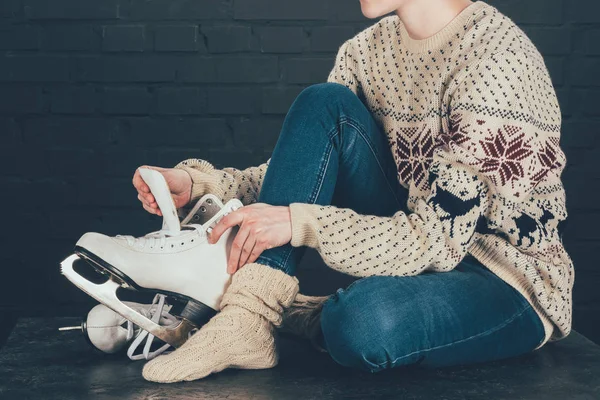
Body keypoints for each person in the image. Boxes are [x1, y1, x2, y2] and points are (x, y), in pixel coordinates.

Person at [132, 0, 573, 383]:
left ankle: (288, 312)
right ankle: (248, 315)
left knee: (362, 324)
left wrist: (302, 224)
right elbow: (307, 168)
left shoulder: (496, 61)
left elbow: (435, 240)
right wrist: (201, 186)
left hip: (506, 281)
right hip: (416, 244)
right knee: (323, 103)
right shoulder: (365, 52)